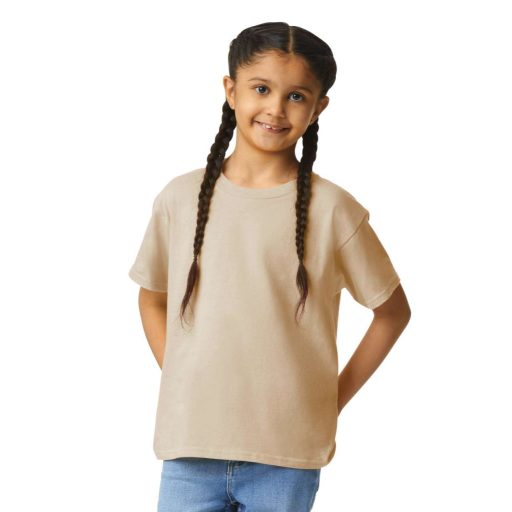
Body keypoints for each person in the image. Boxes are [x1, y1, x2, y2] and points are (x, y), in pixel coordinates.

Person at [128, 21, 411, 512]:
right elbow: (151, 297)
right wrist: (182, 375)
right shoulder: (179, 198)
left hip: (287, 456)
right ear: (231, 90)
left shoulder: (334, 210)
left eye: (296, 96)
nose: (276, 109)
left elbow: (392, 312)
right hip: (190, 447)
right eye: (261, 89)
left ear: (319, 108)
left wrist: (329, 400)